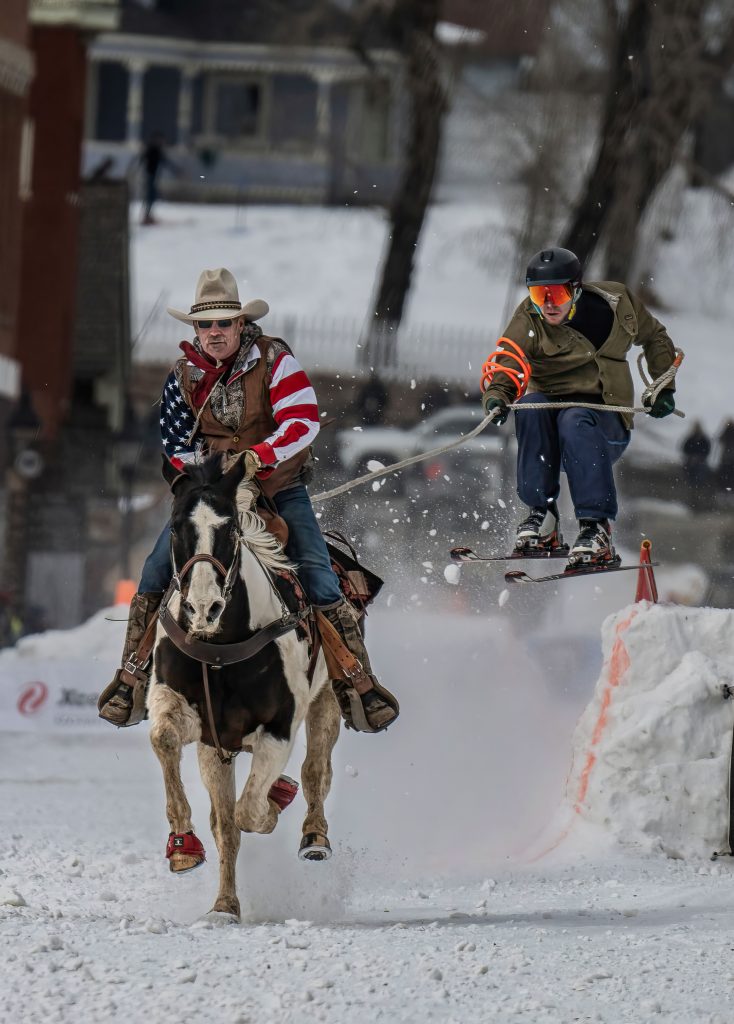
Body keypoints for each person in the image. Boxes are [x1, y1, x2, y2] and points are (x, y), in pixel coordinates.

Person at [98, 268, 399, 734]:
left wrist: (258, 457)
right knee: (156, 571)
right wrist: (206, 477)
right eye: (205, 325)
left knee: (318, 573)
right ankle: (131, 679)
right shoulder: (181, 375)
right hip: (211, 494)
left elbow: (302, 423)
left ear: (241, 324)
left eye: (224, 323)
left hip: (279, 487)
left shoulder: (276, 360)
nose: (214, 333)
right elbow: (175, 444)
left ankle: (357, 682)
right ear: (194, 330)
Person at [481, 247, 677, 568]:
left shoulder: (617, 304)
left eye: (555, 294)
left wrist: (663, 387)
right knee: (530, 405)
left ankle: (595, 527)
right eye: (537, 293)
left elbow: (654, 336)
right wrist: (498, 394)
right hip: (552, 439)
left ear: (575, 288)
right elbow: (508, 359)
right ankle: (542, 517)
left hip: (605, 429)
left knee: (575, 418)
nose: (546, 304)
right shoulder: (528, 320)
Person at [139, 132, 175, 225]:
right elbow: (165, 162)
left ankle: (147, 215)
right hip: (150, 176)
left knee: (151, 196)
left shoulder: (153, 149)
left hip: (152, 176)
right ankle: (146, 216)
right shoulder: (153, 150)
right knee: (150, 196)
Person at [680, 421, 711, 510]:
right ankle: (693, 493)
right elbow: (684, 449)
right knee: (690, 477)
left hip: (700, 462)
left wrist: (698, 457)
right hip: (690, 462)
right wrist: (691, 457)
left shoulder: (703, 439)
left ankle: (697, 493)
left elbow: (707, 451)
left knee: (700, 477)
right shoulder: (690, 438)